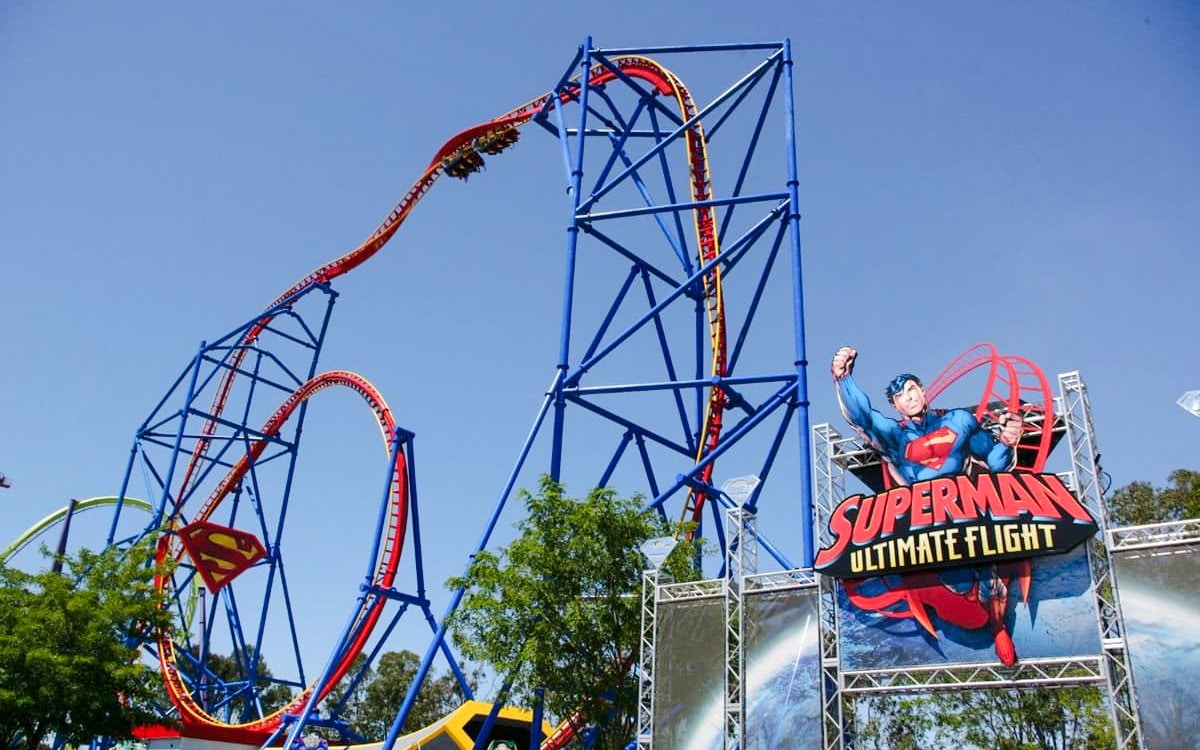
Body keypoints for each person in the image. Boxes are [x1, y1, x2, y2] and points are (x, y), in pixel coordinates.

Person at [831, 345, 1022, 487]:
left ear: (922, 391)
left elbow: (995, 462)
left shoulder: (958, 420)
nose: (909, 398)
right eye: (900, 396)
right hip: (918, 514)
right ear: (894, 405)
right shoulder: (895, 435)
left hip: (965, 504)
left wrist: (1007, 441)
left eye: (911, 389)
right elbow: (863, 418)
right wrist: (844, 379)